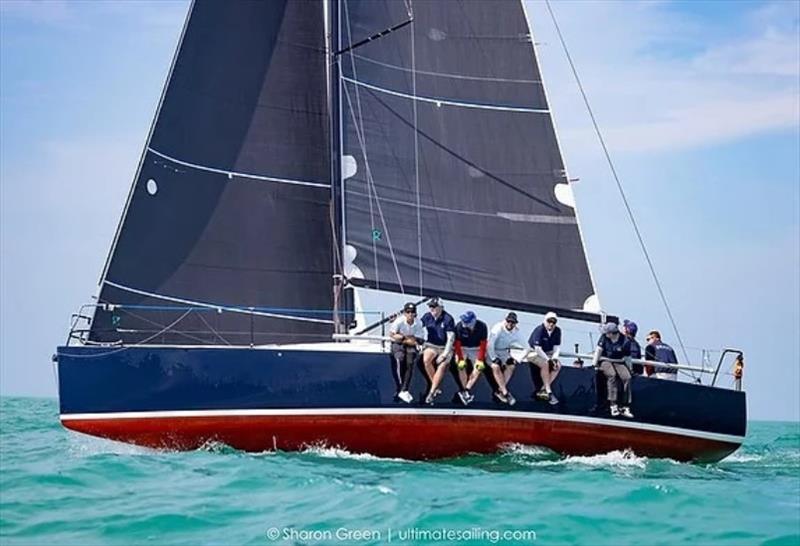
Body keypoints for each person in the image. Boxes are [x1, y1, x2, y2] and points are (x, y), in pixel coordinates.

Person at [592, 322, 634, 418]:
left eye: (607, 333)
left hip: (618, 361)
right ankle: (613, 404)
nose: (605, 334)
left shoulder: (625, 341)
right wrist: (594, 364)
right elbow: (599, 350)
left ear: (612, 333)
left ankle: (625, 405)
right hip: (605, 360)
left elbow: (627, 357)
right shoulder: (604, 338)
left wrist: (630, 368)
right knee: (612, 375)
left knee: (627, 377)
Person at [420, 298, 456, 404]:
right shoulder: (427, 316)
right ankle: (435, 386)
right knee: (426, 360)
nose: (431, 309)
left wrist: (444, 354)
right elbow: (418, 327)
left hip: (445, 346)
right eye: (430, 306)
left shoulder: (448, 319)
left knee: (442, 365)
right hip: (432, 344)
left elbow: (451, 338)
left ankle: (431, 392)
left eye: (434, 306)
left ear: (441, 307)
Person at [388, 302, 426, 403]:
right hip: (399, 344)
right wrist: (406, 338)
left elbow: (418, 339)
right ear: (404, 313)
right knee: (399, 359)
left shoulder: (418, 323)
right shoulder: (399, 321)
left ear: (415, 314)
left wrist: (403, 337)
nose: (410, 314)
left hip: (410, 344)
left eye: (412, 312)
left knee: (410, 363)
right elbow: (392, 335)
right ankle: (400, 387)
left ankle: (404, 389)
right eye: (408, 312)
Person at [487, 312, 526, 405]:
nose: (510, 324)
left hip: (504, 352)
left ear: (515, 323)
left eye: (513, 322)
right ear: (505, 320)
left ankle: (499, 391)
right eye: (509, 321)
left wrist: (518, 359)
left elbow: (526, 348)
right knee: (495, 367)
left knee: (511, 366)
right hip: (491, 351)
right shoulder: (498, 328)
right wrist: (493, 357)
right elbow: (490, 345)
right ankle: (506, 393)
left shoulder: (517, 331)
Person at [526, 311, 562, 405]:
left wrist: (554, 359)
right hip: (533, 352)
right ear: (545, 321)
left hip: (547, 353)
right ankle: (548, 391)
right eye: (549, 321)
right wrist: (548, 360)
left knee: (558, 366)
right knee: (545, 364)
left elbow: (556, 347)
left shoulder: (557, 331)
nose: (551, 324)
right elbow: (537, 349)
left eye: (553, 322)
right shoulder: (539, 330)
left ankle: (542, 390)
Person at [453, 310, 489, 405]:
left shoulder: (482, 326)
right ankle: (464, 390)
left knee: (478, 368)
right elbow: (457, 344)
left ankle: (466, 389)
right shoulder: (459, 326)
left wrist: (480, 360)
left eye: (466, 321)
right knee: (460, 366)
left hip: (476, 348)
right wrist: (460, 359)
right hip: (463, 348)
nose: (464, 323)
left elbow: (483, 344)